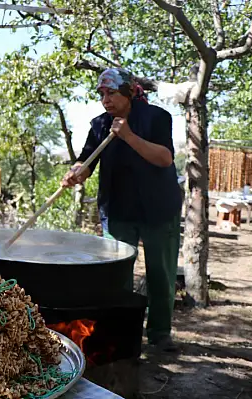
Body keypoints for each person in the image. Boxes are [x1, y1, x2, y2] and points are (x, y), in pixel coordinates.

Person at [62, 68, 182, 351]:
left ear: (129, 92)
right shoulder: (100, 125)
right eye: (102, 94)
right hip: (118, 212)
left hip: (158, 209)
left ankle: (160, 333)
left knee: (161, 273)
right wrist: (76, 172)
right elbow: (87, 161)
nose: (106, 100)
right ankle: (120, 333)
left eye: (112, 93)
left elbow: (164, 158)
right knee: (116, 275)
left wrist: (127, 136)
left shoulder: (157, 118)